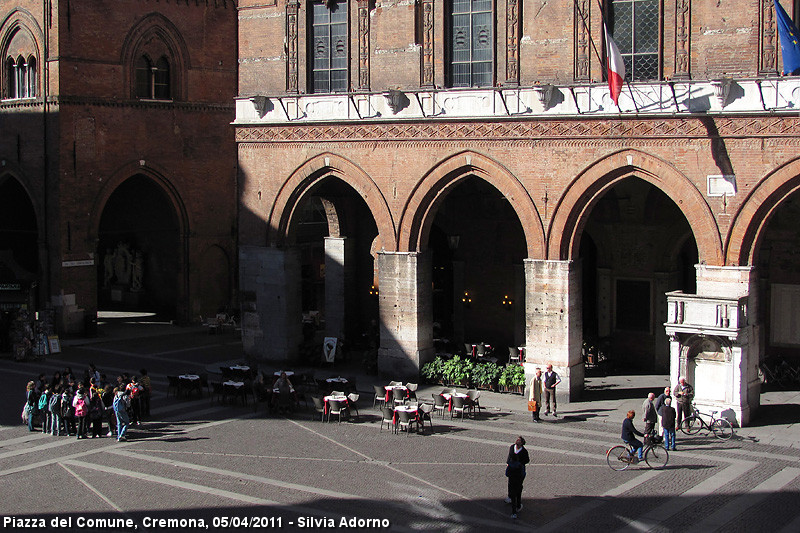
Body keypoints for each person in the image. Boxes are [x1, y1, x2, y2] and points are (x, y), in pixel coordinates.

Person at [505, 436, 530, 519]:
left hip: (517, 475)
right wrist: (508, 463)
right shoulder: (512, 447)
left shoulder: (524, 451)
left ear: (522, 443)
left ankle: (516, 508)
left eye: (519, 440)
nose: (517, 441)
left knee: (516, 492)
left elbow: (527, 460)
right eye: (517, 440)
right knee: (515, 492)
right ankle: (515, 506)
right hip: (514, 474)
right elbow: (509, 456)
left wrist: (519, 463)